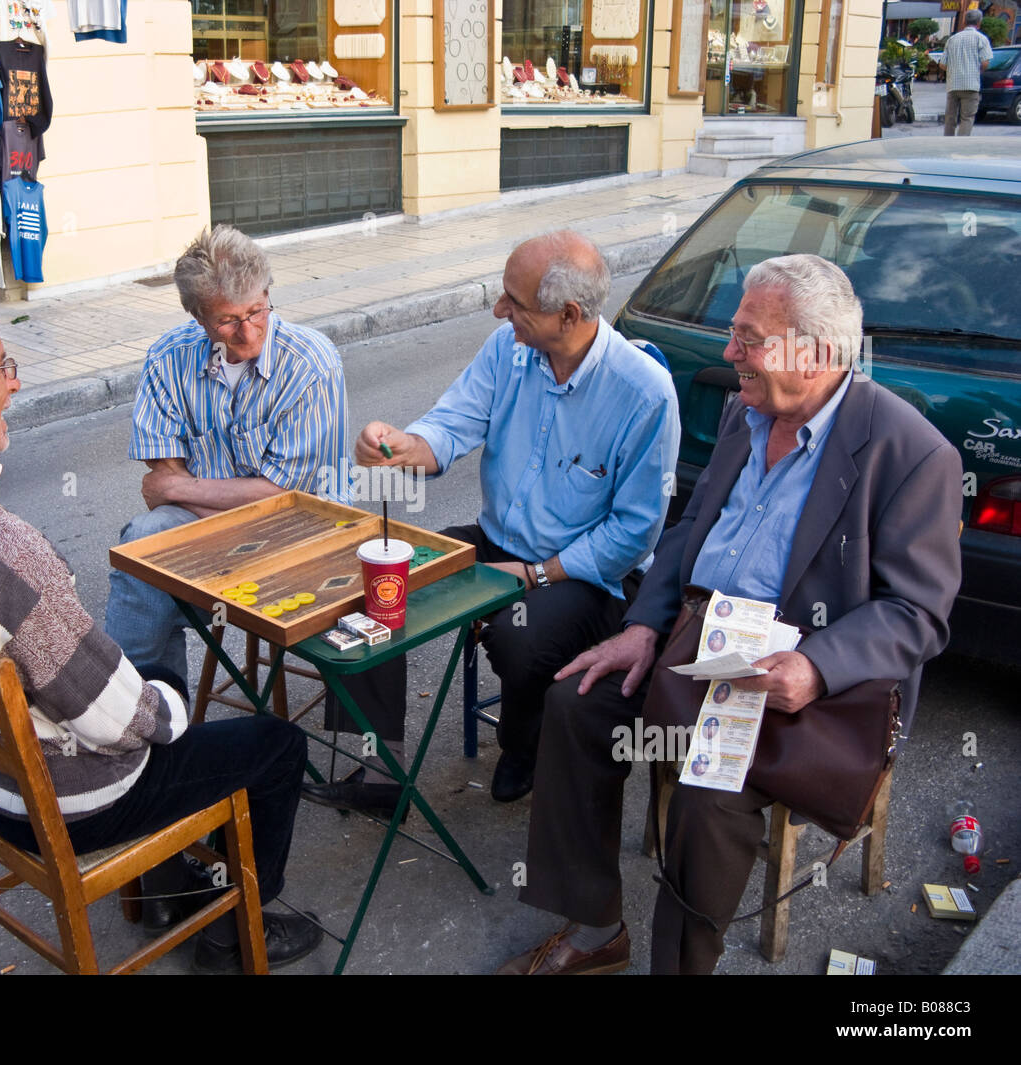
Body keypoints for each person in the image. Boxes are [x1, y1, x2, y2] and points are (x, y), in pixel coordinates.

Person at [498, 254, 962, 975]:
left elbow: (919, 613)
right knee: (577, 702)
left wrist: (817, 665)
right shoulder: (752, 412)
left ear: (813, 352)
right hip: (700, 636)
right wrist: (643, 627)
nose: (728, 352)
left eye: (748, 336)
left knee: (709, 798)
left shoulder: (908, 453)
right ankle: (596, 928)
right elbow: (690, 531)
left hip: (798, 678)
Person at [0, 296, 322, 972]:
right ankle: (232, 927)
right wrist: (172, 705)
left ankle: (165, 887)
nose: (14, 382)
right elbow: (119, 719)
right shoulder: (3, 554)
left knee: (154, 685)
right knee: (271, 743)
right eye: (1, 367)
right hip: (66, 803)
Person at [303, 231, 679, 814]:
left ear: (570, 314)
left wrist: (534, 575)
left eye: (514, 301)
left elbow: (633, 534)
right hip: (498, 543)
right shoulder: (509, 349)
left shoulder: (643, 393)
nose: (500, 311)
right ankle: (377, 768)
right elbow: (452, 426)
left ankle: (524, 744)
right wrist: (403, 444)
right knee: (374, 586)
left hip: (593, 575)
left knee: (519, 634)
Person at [104, 224, 349, 689]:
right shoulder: (168, 358)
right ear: (197, 317)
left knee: (163, 547)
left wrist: (181, 489)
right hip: (210, 528)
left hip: (307, 531)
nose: (248, 330)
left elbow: (284, 497)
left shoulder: (312, 363)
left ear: (268, 293)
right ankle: (139, 711)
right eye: (228, 320)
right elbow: (163, 470)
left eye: (257, 310)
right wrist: (197, 494)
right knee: (144, 547)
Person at [943, 10, 993, 136]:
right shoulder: (981, 39)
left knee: (950, 118)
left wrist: (954, 70)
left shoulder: (952, 39)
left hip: (953, 85)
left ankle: (946, 144)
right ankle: (960, 146)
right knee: (967, 118)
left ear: (964, 22)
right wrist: (978, 71)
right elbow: (985, 62)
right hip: (971, 85)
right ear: (979, 23)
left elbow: (942, 64)